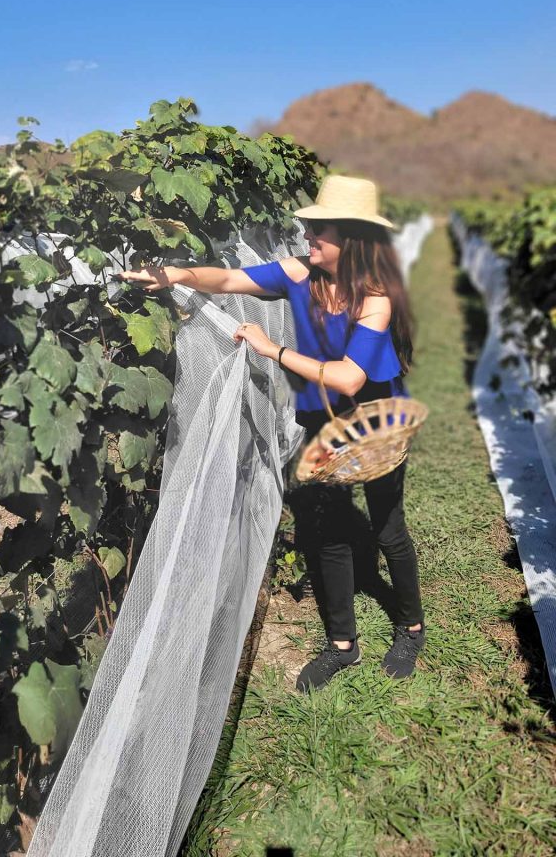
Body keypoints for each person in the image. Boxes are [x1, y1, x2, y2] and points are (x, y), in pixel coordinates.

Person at [118, 173, 425, 691]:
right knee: (326, 528)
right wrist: (176, 274)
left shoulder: (376, 298)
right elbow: (231, 279)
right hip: (322, 417)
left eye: (318, 231)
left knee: (386, 528)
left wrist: (272, 350)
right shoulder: (300, 273)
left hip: (374, 421)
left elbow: (351, 376)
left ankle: (411, 628)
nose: (307, 237)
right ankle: (343, 646)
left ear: (348, 239)